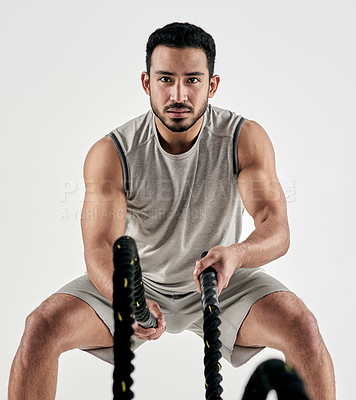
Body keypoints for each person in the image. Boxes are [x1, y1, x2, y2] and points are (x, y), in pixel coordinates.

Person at [8, 22, 335, 400]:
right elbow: (99, 247)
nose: (178, 94)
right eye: (166, 79)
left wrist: (237, 253)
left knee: (302, 327)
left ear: (212, 85)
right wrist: (125, 298)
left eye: (193, 80)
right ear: (147, 83)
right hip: (136, 283)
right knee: (40, 328)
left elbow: (276, 227)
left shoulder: (243, 138)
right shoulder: (112, 153)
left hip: (222, 279)